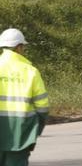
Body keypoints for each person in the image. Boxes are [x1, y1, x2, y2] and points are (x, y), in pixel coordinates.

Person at [0, 28, 48, 166]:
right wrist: (35, 129)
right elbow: (43, 106)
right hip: (20, 135)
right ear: (19, 47)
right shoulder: (30, 71)